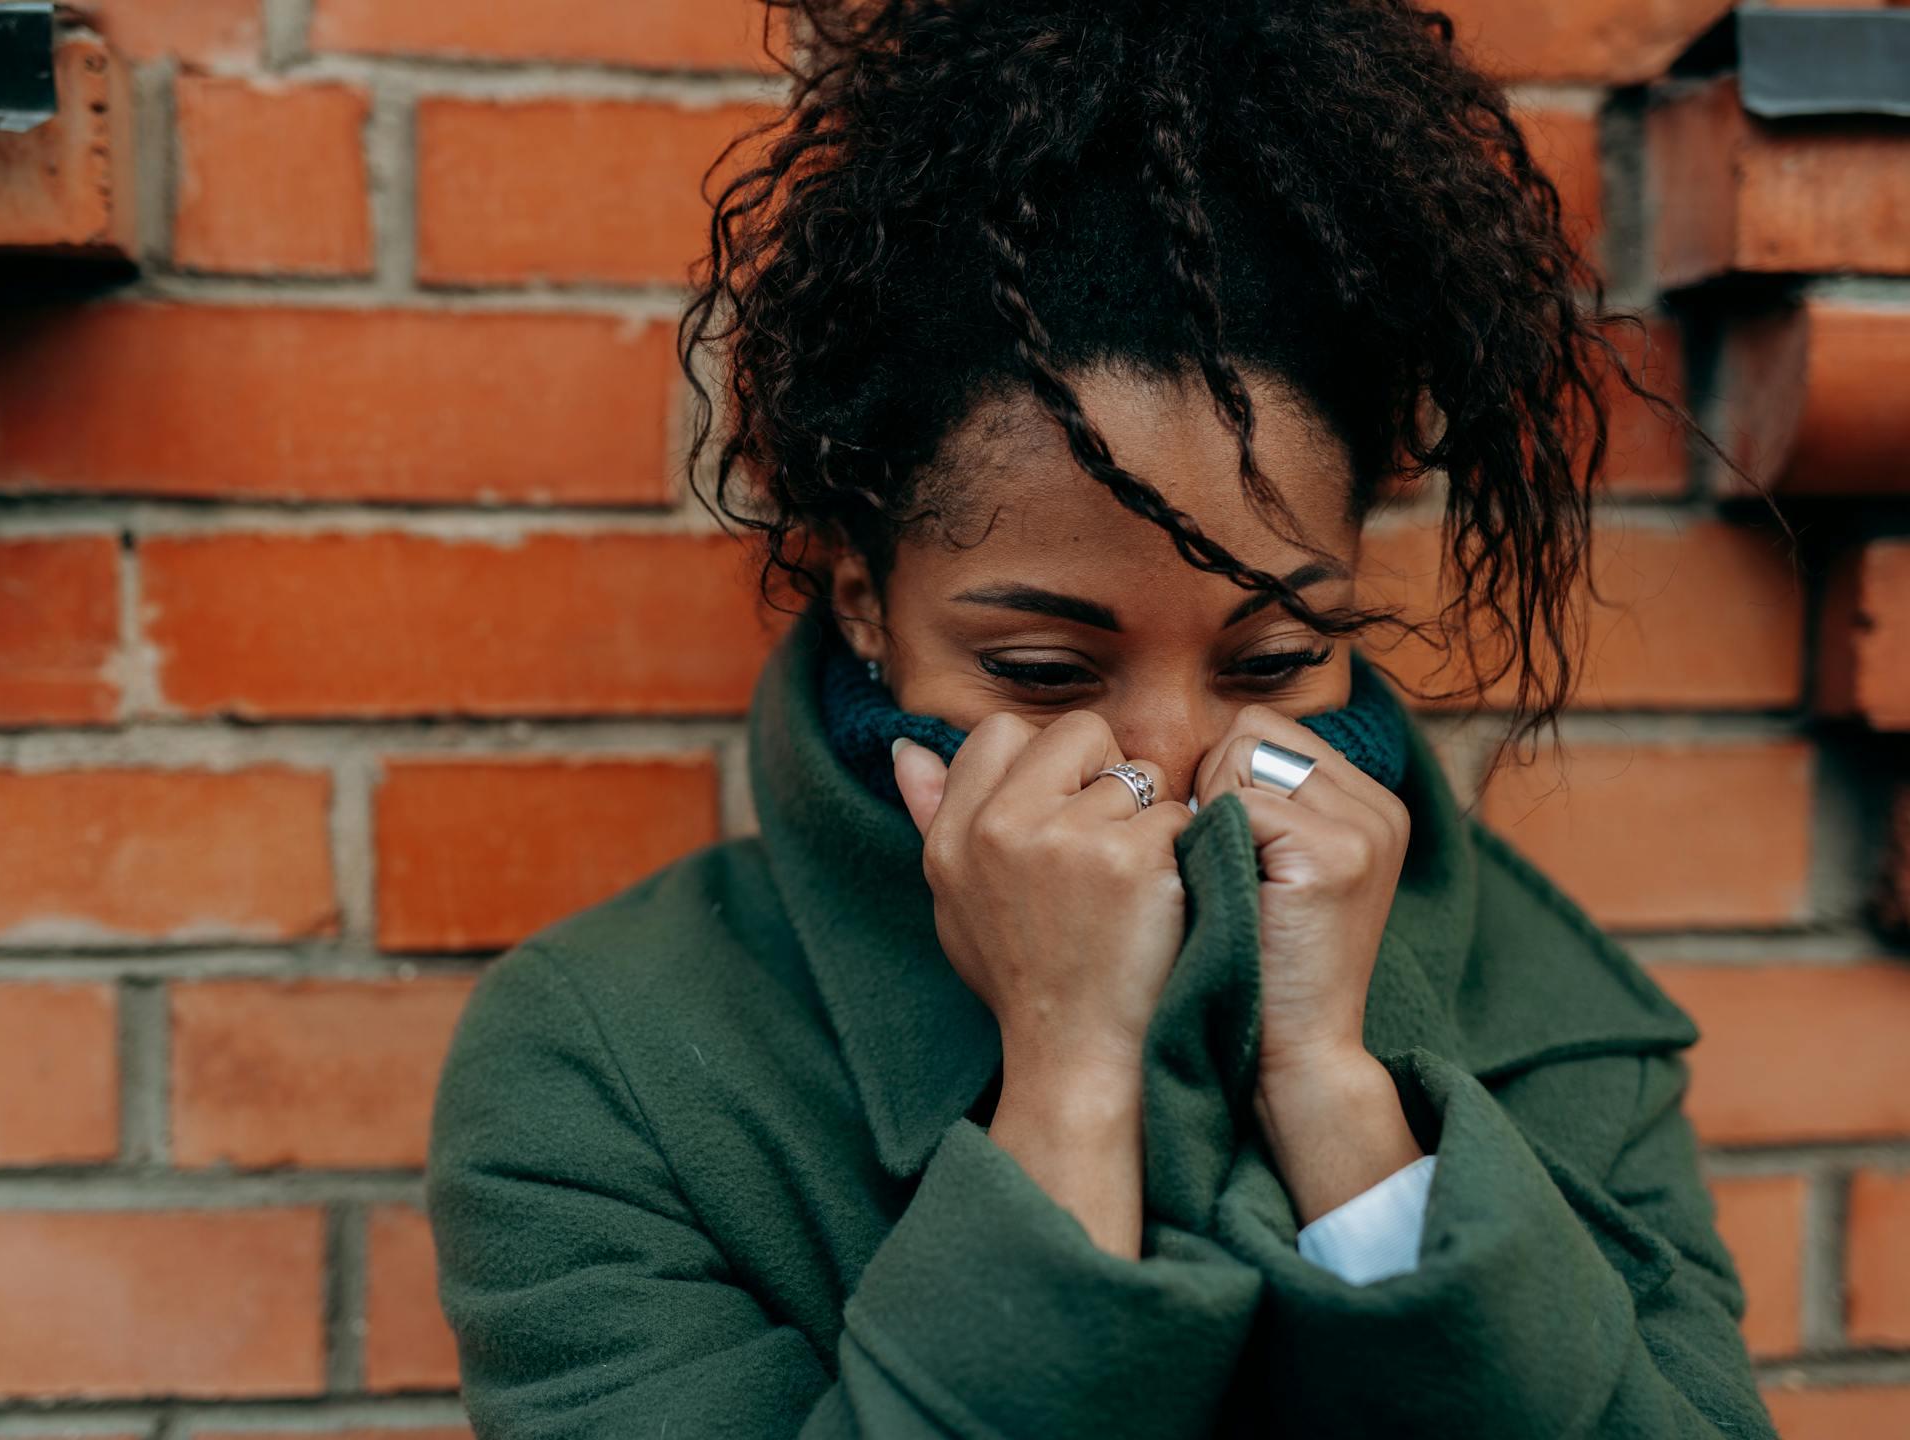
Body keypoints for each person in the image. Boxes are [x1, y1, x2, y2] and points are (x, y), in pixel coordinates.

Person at [426, 1, 1781, 1434]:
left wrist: (1345, 1109)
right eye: (1045, 674)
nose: (1169, 767)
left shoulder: (1553, 1012)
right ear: (864, 594)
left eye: (1270, 662)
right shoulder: (609, 1065)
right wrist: (1067, 1085)